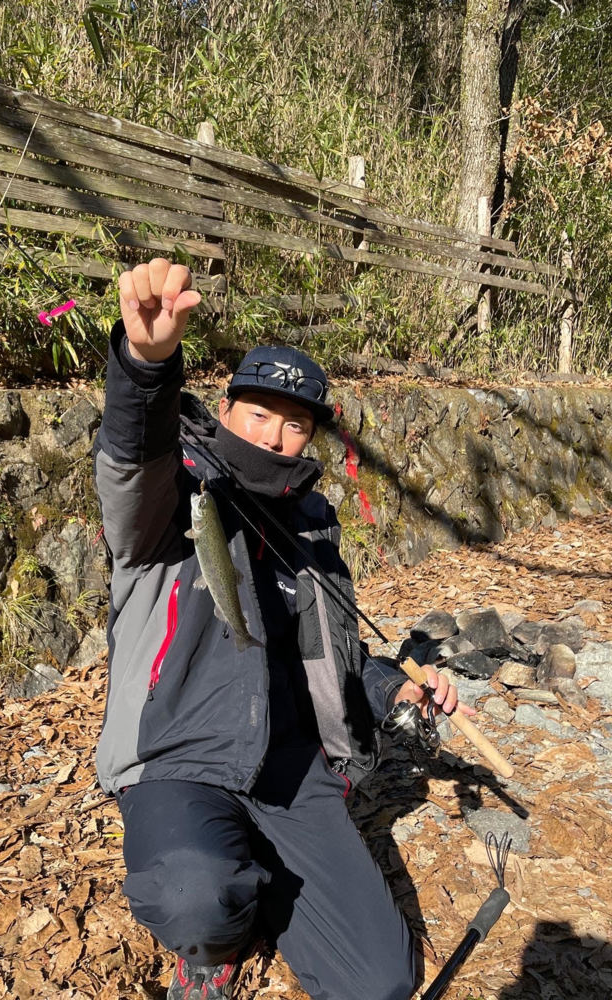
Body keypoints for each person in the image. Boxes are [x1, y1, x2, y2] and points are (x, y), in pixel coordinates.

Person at [93, 258, 471, 1000]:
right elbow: (131, 462)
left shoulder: (314, 530)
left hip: (294, 772)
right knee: (194, 894)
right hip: (179, 755)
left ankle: (257, 874)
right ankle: (215, 948)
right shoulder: (175, 497)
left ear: (311, 438)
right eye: (259, 413)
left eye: (295, 424)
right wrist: (145, 366)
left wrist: (398, 687)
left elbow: (335, 653)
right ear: (227, 409)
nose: (274, 434)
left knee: (382, 983)